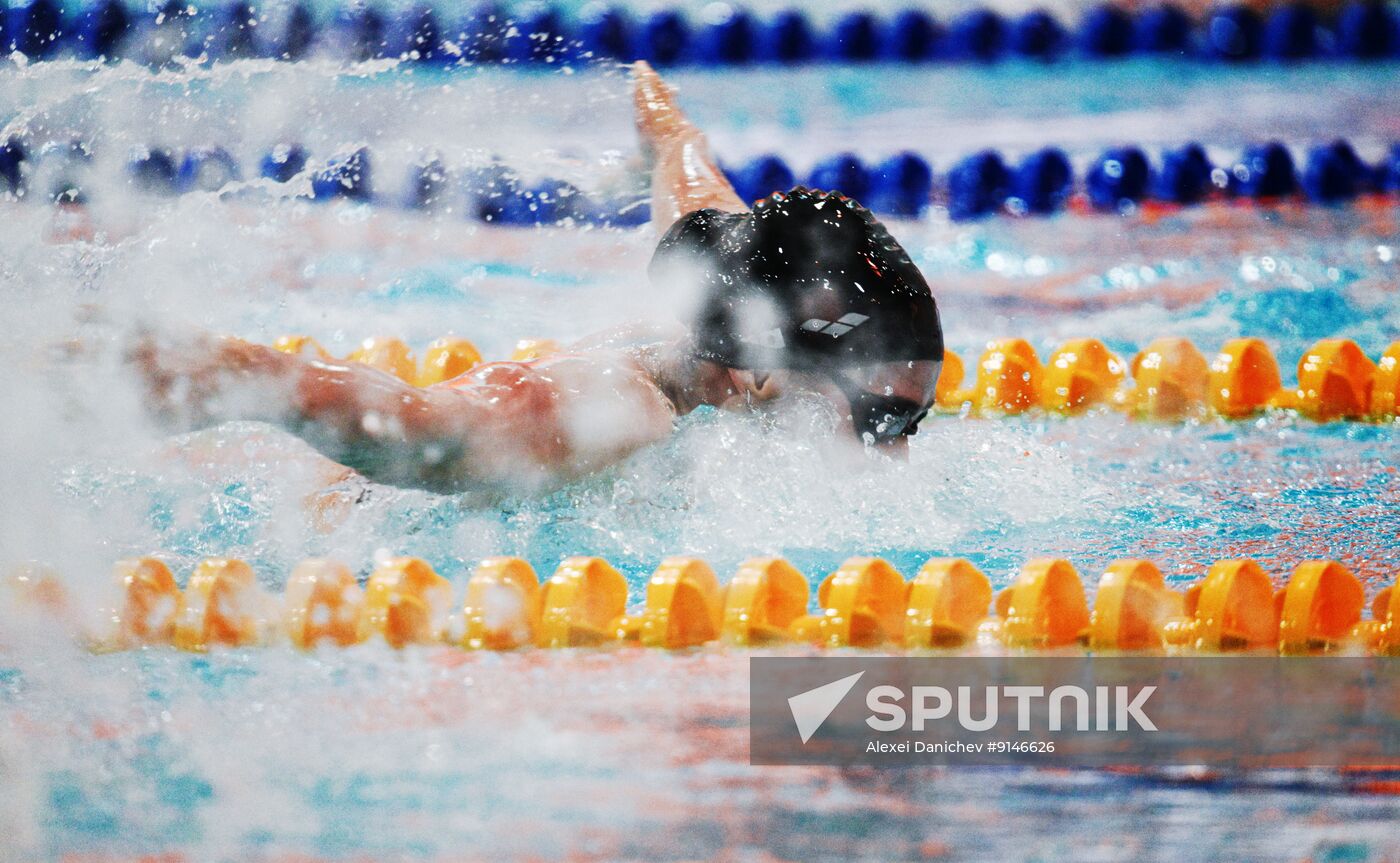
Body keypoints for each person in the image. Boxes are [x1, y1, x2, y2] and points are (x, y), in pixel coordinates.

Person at [133, 62, 943, 496]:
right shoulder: (617, 414)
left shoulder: (738, 294)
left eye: (911, 418)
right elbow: (425, 431)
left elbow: (694, 184)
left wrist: (663, 129)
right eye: (882, 419)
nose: (899, 453)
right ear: (762, 369)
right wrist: (224, 371)